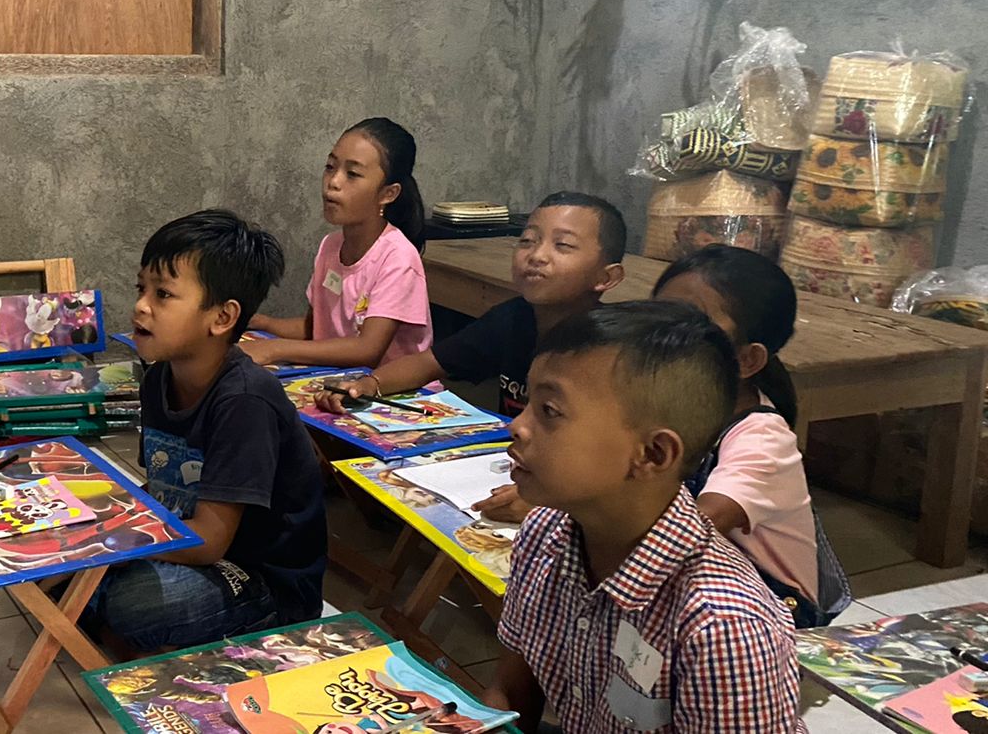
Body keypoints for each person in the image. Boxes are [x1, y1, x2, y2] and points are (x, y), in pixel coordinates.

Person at [483, 301, 805, 733]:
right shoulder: (544, 532)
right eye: (528, 401)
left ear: (653, 454)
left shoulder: (723, 627)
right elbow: (510, 694)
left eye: (550, 411)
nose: (517, 426)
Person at [83, 209, 328, 655]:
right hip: (194, 546)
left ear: (222, 317)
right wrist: (97, 530)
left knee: (131, 603)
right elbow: (162, 487)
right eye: (141, 288)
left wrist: (112, 545)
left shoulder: (245, 400)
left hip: (259, 578)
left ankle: (109, 616)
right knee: (60, 558)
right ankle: (102, 612)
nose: (141, 306)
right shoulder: (158, 378)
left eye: (163, 294)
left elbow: (211, 542)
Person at [317, 191, 626, 522]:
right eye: (528, 241)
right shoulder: (513, 318)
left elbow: (618, 465)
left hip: (575, 496)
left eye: (562, 245)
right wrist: (369, 384)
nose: (537, 255)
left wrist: (553, 503)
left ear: (606, 277)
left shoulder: (609, 352)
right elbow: (429, 362)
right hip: (511, 464)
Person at [653, 244, 851, 628]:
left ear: (747, 360)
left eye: (689, 325)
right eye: (656, 316)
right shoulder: (668, 403)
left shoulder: (762, 439)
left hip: (771, 618)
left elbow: (697, 525)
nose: (658, 338)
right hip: (695, 588)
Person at [246, 118, 432, 368]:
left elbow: (367, 350)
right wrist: (262, 324)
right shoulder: (330, 246)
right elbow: (317, 329)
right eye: (330, 167)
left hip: (391, 388)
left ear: (388, 193)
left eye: (352, 174)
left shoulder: (398, 258)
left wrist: (273, 349)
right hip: (338, 378)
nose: (333, 182)